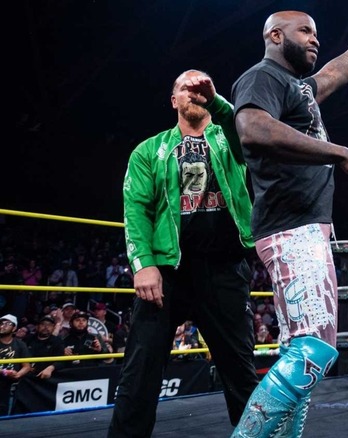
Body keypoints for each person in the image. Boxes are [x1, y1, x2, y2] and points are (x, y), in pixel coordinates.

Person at [229, 8, 348, 437]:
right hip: (291, 227)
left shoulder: (297, 88)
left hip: (302, 228)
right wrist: (342, 153)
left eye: (316, 33)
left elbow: (336, 72)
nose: (314, 38)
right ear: (275, 35)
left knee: (298, 351)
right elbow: (252, 129)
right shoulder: (261, 77)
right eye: (304, 31)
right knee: (315, 349)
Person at [108, 70, 259, 437]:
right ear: (173, 100)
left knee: (240, 370)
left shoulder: (230, 138)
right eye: (184, 88)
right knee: (140, 370)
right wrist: (143, 265)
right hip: (166, 273)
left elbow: (247, 131)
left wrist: (218, 100)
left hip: (224, 267)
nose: (193, 92)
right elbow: (136, 209)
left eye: (200, 86)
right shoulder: (149, 150)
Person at [0, 314, 31, 416]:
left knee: (5, 415)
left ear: (14, 328)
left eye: (7, 324)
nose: (3, 326)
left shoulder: (20, 344)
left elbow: (27, 366)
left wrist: (18, 375)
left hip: (9, 387)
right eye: (1, 323)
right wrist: (4, 372)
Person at [24, 315, 65, 379]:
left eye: (49, 325)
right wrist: (26, 366)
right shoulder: (28, 339)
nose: (46, 327)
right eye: (43, 324)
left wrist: (51, 368)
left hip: (46, 376)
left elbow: (61, 360)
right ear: (37, 326)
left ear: (53, 327)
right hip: (25, 374)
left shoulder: (57, 341)